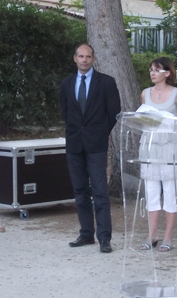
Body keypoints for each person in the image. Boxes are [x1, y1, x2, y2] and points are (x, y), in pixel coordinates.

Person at [60, 44, 121, 253]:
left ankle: (104, 237)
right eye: (81, 56)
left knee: (100, 191)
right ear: (74, 58)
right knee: (79, 190)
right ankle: (86, 234)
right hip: (75, 144)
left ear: (93, 59)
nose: (84, 60)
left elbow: (114, 112)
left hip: (97, 144)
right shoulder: (67, 84)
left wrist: (100, 132)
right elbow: (65, 112)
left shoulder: (106, 82)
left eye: (88, 56)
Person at [138, 57, 177, 252]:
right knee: (151, 191)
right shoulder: (145, 94)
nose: (152, 73)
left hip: (169, 146)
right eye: (151, 69)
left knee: (170, 192)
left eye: (157, 70)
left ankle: (168, 237)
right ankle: (152, 235)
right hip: (150, 146)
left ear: (167, 73)